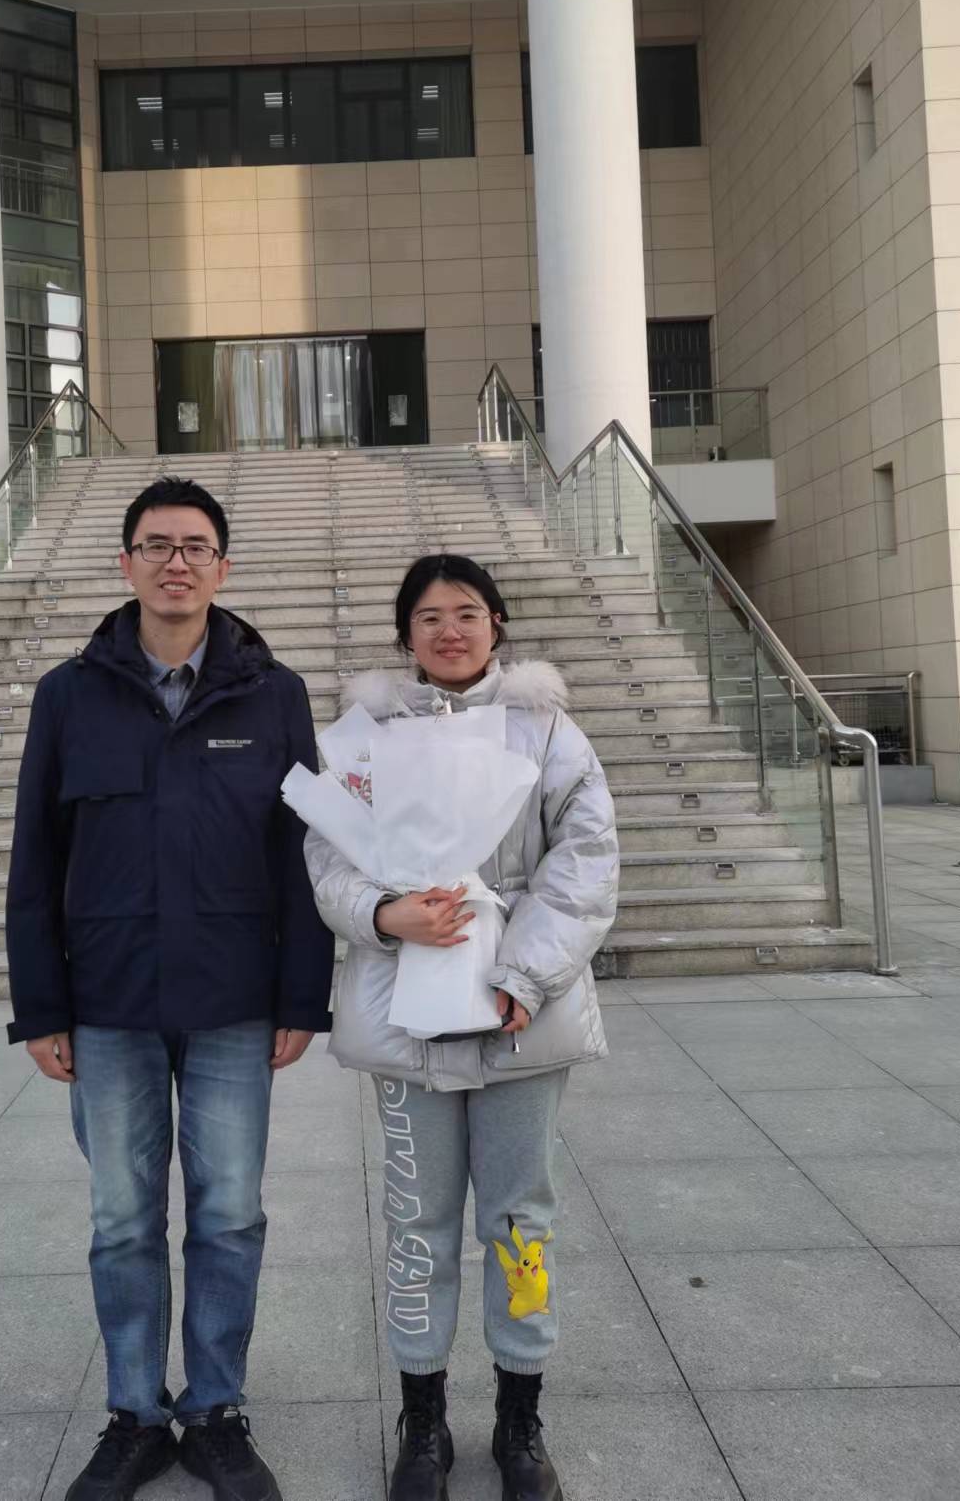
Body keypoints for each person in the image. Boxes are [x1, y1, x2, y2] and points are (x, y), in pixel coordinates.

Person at [5, 475, 334, 1501]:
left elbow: (303, 852)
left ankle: (217, 1409)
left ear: (221, 567)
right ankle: (136, 1413)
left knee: (229, 1211)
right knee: (122, 1217)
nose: (175, 561)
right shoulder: (68, 695)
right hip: (107, 1002)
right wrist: (42, 1006)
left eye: (194, 545)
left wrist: (302, 994)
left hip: (235, 999)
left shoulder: (272, 693)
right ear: (126, 563)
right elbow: (33, 859)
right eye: (156, 544)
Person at [305, 554, 619, 1501]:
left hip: (521, 1018)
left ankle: (520, 1416)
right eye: (430, 616)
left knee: (521, 1221)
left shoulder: (548, 731)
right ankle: (425, 1420)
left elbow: (585, 859)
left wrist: (525, 973)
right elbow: (327, 854)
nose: (450, 630)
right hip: (407, 1019)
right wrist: (384, 913)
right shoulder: (366, 738)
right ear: (405, 633)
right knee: (417, 1224)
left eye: (468, 612)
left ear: (497, 625)